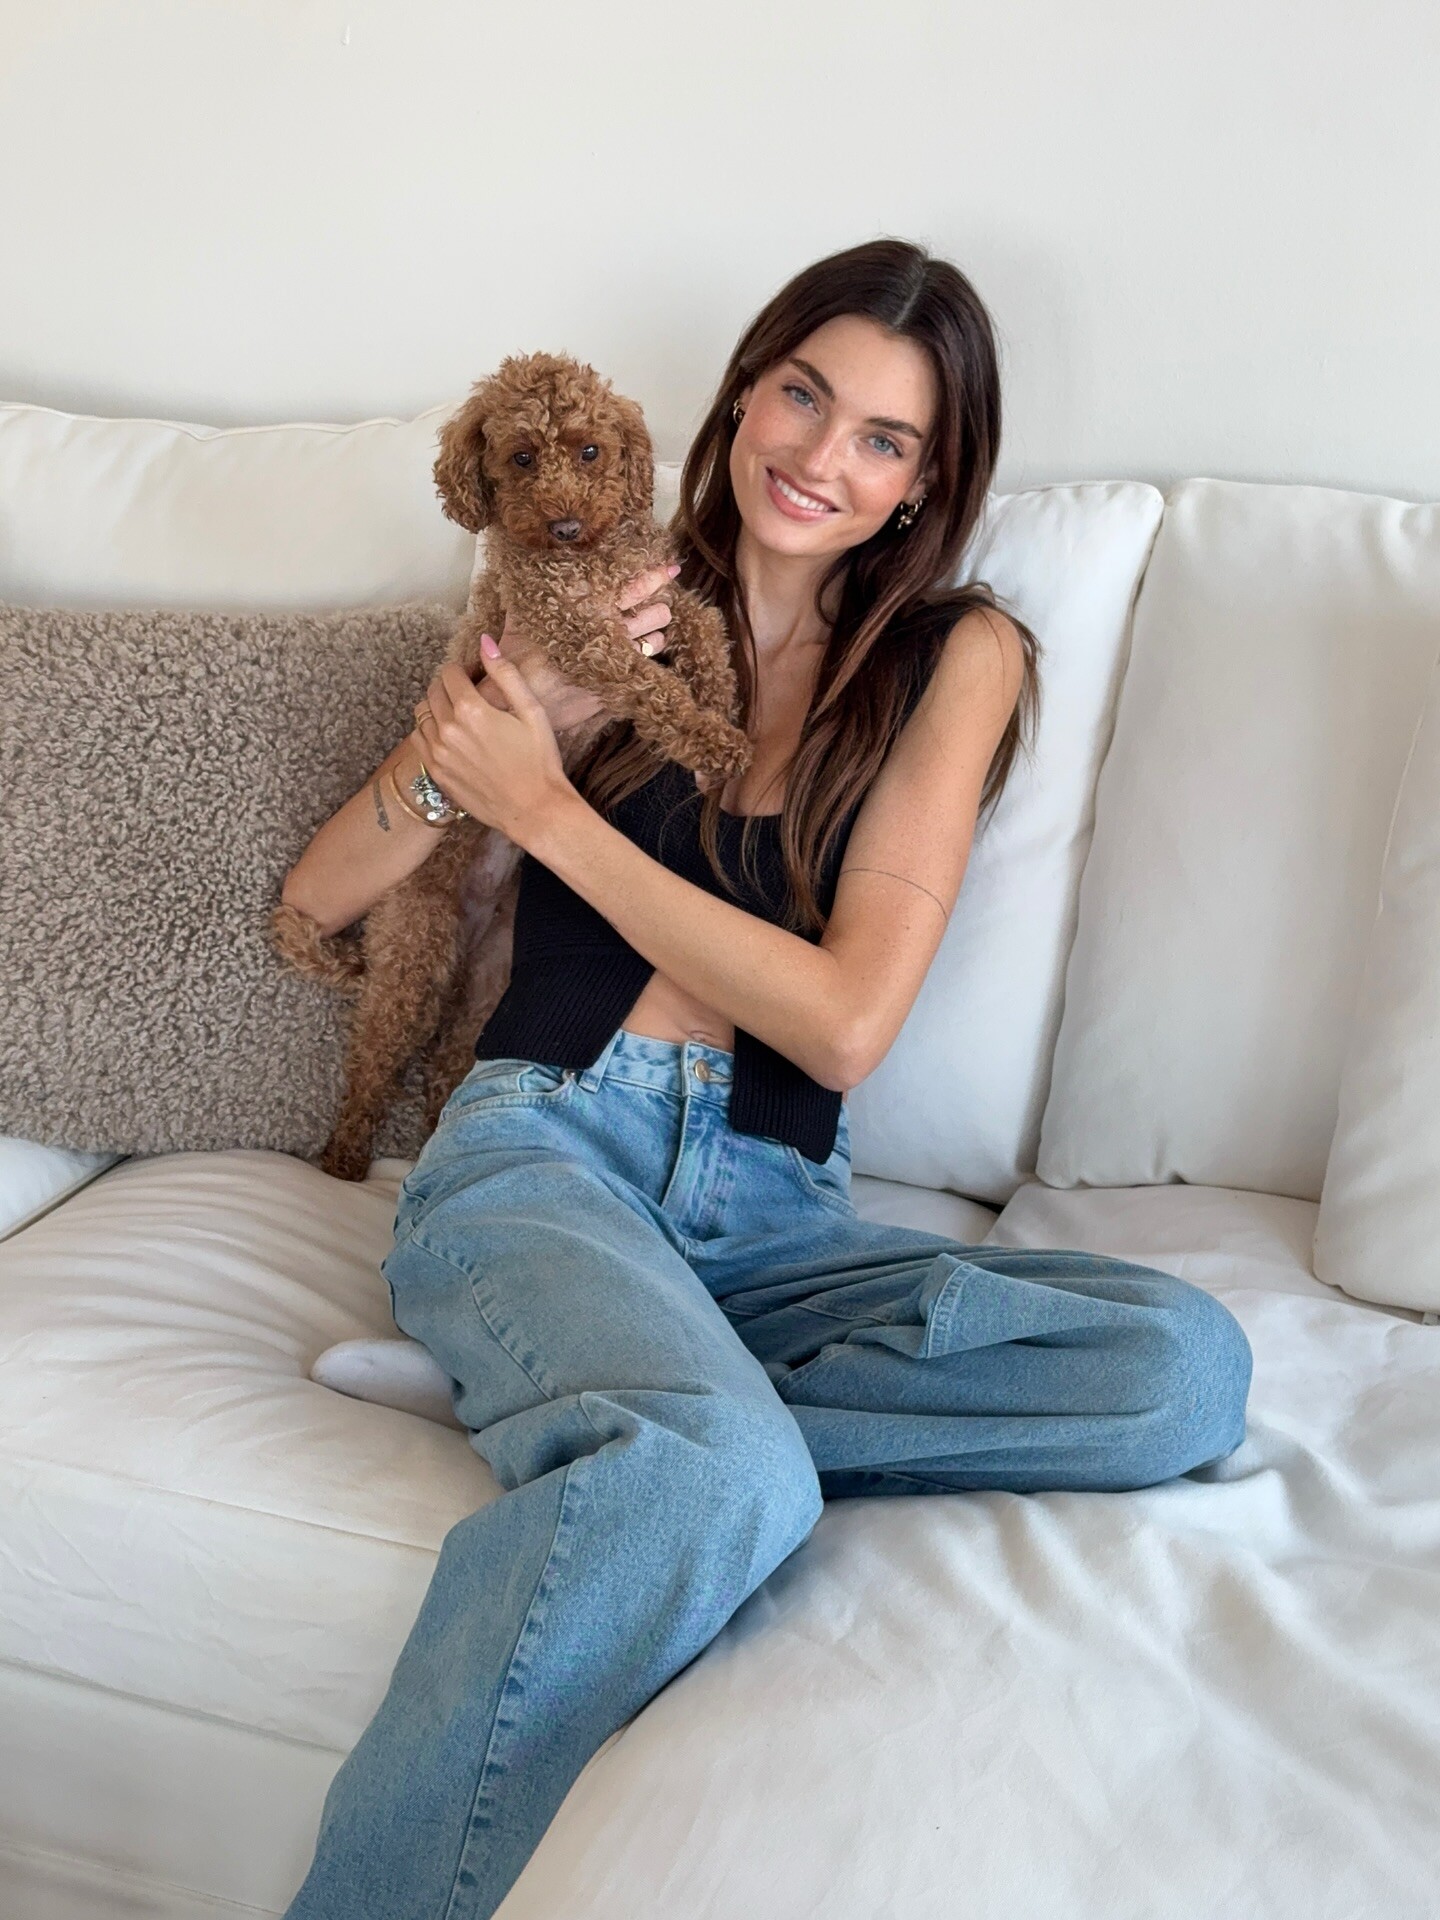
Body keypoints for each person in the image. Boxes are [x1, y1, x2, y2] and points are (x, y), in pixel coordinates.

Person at [280, 238, 1253, 1920]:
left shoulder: (955, 657)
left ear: (923, 483)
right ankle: (628, 1402)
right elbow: (326, 891)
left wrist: (551, 815)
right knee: (724, 1479)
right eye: (802, 394)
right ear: (743, 392)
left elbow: (845, 1026)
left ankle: (587, 1396)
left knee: (1181, 1371)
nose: (819, 455)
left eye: (883, 437)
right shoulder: (605, 591)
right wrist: (497, 749)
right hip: (545, 1152)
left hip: (777, 1217)